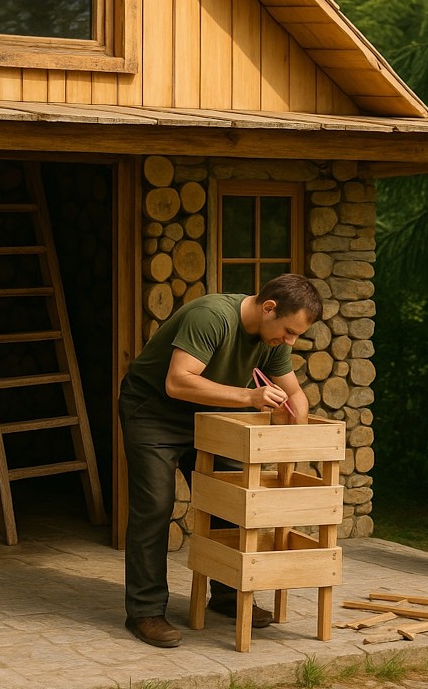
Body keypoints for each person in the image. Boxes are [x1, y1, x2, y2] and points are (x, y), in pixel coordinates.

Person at [119, 273, 322, 648]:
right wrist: (250, 399)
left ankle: (228, 597)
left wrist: (296, 425)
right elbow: (177, 382)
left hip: (211, 414)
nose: (290, 341)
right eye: (289, 331)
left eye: (296, 335)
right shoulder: (212, 316)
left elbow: (295, 394)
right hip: (154, 412)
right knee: (155, 506)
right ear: (269, 307)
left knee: (232, 501)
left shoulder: (273, 337)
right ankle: (145, 612)